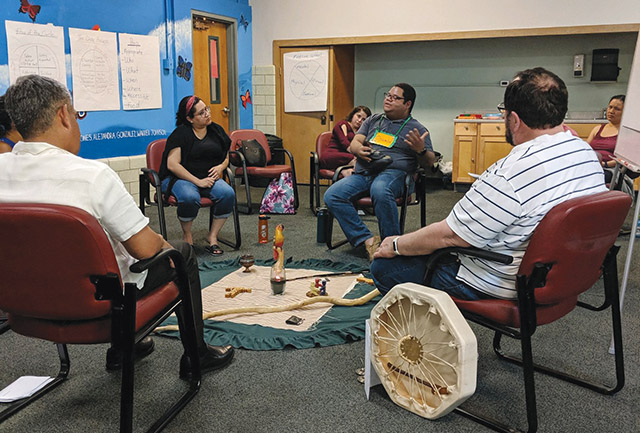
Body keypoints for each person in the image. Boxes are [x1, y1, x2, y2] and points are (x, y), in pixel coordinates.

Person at [0, 75, 234, 377]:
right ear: (63, 115)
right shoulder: (92, 176)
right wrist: (164, 242)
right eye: (75, 113)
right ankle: (194, 356)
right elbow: (145, 248)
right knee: (182, 254)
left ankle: (129, 347)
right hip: (98, 305)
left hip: (20, 305)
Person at [371, 68, 607, 300]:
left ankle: (430, 335)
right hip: (566, 275)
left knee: (385, 267)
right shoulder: (584, 151)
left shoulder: (513, 171)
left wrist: (396, 244)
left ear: (513, 119)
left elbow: (451, 236)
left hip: (505, 283)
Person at [323, 83, 435, 261]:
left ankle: (391, 245)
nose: (388, 99)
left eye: (395, 97)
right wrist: (358, 150)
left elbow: (429, 162)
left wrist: (420, 150)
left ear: (407, 104)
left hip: (394, 174)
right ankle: (367, 240)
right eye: (387, 95)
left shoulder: (417, 129)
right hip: (365, 173)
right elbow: (355, 143)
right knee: (332, 195)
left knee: (380, 189)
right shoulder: (373, 120)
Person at [159, 95, 236, 256]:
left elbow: (226, 155)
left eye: (206, 109)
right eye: (201, 113)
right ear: (189, 118)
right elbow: (172, 165)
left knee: (228, 194)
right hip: (178, 178)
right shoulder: (180, 134)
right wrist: (198, 182)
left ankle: (212, 236)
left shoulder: (216, 130)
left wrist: (221, 167)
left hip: (207, 177)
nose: (207, 114)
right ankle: (187, 235)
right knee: (189, 196)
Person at [321, 105, 371, 176]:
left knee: (352, 170)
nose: (359, 120)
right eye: (358, 116)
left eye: (363, 119)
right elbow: (344, 143)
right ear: (353, 115)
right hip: (331, 156)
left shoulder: (361, 132)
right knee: (358, 160)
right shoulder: (342, 124)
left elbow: (366, 145)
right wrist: (358, 152)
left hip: (346, 159)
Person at [587, 95, 625, 169]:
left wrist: (605, 164)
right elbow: (585, 149)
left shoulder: (626, 133)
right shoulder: (597, 129)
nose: (611, 111)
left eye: (617, 109)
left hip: (610, 170)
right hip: (591, 165)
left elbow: (624, 160)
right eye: (610, 107)